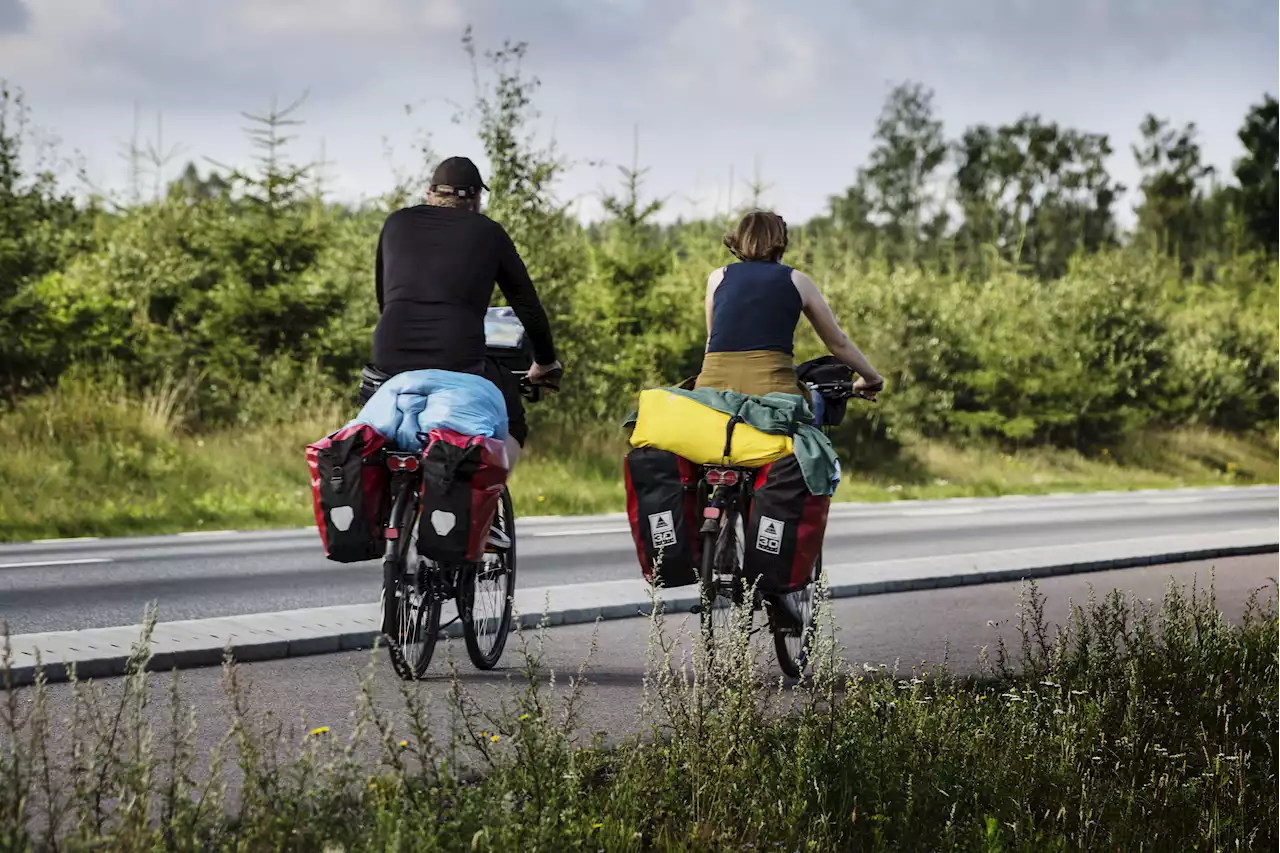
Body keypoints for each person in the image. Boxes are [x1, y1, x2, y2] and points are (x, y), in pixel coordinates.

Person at [696, 209, 885, 629]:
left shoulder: (717, 277)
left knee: (719, 456)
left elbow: (714, 341)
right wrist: (870, 377)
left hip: (712, 394)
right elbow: (836, 341)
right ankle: (775, 579)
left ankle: (715, 537)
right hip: (774, 394)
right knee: (802, 443)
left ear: (737, 239)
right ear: (782, 241)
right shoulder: (796, 280)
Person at [371, 156, 562, 476]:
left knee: (380, 429)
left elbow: (384, 299)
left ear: (430, 193)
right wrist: (544, 362)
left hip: (389, 354)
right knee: (511, 417)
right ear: (475, 200)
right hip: (458, 358)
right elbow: (527, 306)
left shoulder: (396, 223)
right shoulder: (488, 232)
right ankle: (487, 500)